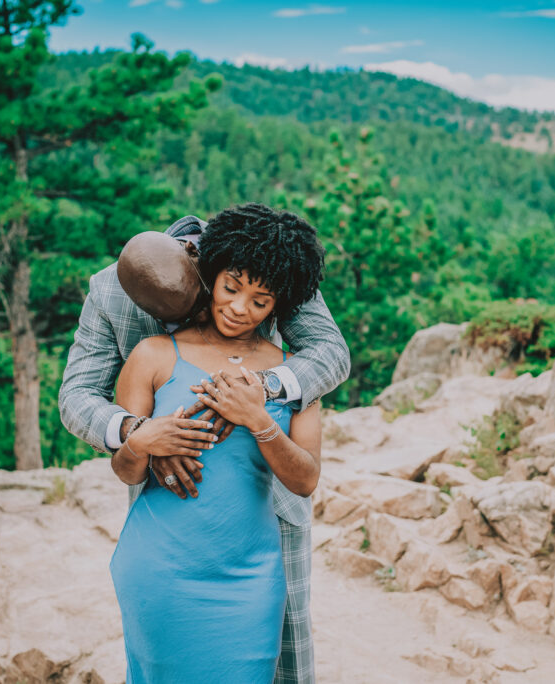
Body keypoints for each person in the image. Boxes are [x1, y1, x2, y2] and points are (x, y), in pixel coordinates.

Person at [58, 204, 350, 683]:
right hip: (170, 510)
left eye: (248, 298)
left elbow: (330, 353)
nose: (225, 312)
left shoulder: (265, 257)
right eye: (223, 294)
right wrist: (136, 432)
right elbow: (75, 396)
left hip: (269, 512)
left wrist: (252, 392)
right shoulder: (111, 290)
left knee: (284, 657)